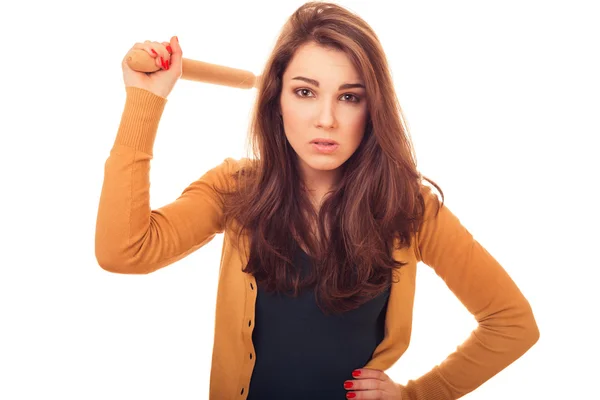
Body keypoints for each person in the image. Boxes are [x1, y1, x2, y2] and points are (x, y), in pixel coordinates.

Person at [95, 2, 539, 399]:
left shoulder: (411, 210)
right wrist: (145, 100)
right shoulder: (235, 188)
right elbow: (124, 251)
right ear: (277, 101)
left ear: (372, 109)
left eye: (349, 97)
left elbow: (512, 323)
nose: (326, 119)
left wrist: (416, 396)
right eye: (305, 92)